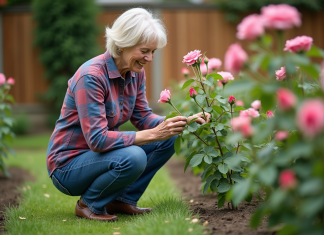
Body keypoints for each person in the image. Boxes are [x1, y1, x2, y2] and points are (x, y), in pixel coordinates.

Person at [46, 8, 210, 222]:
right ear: (122, 44)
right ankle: (89, 204)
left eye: (153, 52)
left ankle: (123, 200)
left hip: (100, 156)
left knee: (169, 138)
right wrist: (152, 135)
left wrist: (179, 123)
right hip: (68, 165)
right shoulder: (91, 76)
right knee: (134, 156)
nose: (150, 58)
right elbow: (97, 139)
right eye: (145, 51)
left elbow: (143, 118)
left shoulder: (134, 73)